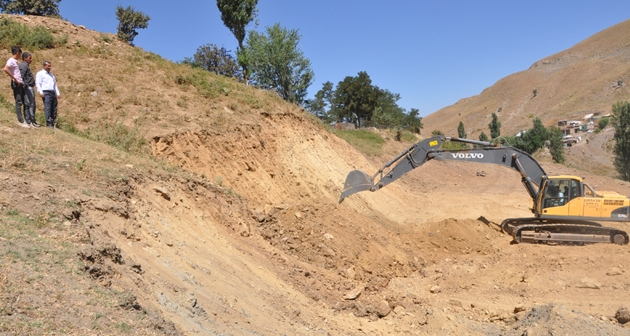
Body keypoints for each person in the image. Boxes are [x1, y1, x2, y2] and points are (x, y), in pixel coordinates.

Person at [3, 46, 30, 127]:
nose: (20, 57)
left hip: (20, 83)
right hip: (16, 83)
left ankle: (27, 120)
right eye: (19, 54)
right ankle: (21, 121)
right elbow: (5, 69)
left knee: (26, 102)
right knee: (18, 102)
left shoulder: (15, 61)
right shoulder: (11, 60)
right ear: (17, 53)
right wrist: (14, 78)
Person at [35, 60, 60, 129]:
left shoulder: (51, 75)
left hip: (52, 92)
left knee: (54, 108)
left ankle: (54, 122)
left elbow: (55, 85)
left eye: (50, 66)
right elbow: (38, 83)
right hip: (46, 92)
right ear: (44, 66)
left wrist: (57, 93)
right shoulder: (40, 73)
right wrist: (40, 92)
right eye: (48, 66)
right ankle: (49, 123)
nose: (50, 67)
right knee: (48, 107)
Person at [19, 52, 39, 127]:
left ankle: (32, 120)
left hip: (30, 87)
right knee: (30, 104)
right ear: (25, 58)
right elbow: (21, 76)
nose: (31, 60)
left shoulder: (26, 66)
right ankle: (30, 121)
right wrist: (25, 85)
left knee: (32, 104)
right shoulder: (24, 66)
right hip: (28, 87)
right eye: (29, 58)